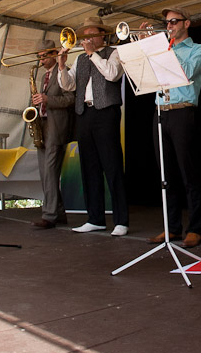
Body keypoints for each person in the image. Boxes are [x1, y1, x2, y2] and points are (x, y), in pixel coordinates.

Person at [58, 16, 128, 237]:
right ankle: (95, 218)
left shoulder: (114, 52)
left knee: (112, 165)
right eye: (84, 35)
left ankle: (121, 220)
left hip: (106, 112)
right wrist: (62, 65)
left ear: (102, 35)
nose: (86, 39)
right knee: (89, 167)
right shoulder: (80, 59)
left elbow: (112, 74)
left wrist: (93, 54)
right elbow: (68, 85)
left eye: (91, 34)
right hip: (84, 113)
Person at [150, 7, 201, 248]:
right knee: (166, 175)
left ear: (187, 23)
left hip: (183, 112)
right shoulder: (165, 49)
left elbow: (185, 72)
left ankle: (194, 228)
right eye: (167, 22)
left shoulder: (199, 49)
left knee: (189, 173)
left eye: (174, 21)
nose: (169, 26)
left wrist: (161, 48)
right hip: (160, 112)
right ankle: (172, 227)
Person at [30, 41, 75, 230]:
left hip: (56, 127)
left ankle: (49, 215)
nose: (41, 60)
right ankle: (60, 212)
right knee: (45, 172)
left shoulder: (64, 72)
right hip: (43, 125)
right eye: (39, 57)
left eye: (44, 56)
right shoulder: (43, 76)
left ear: (54, 54)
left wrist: (48, 99)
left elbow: (70, 99)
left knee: (50, 172)